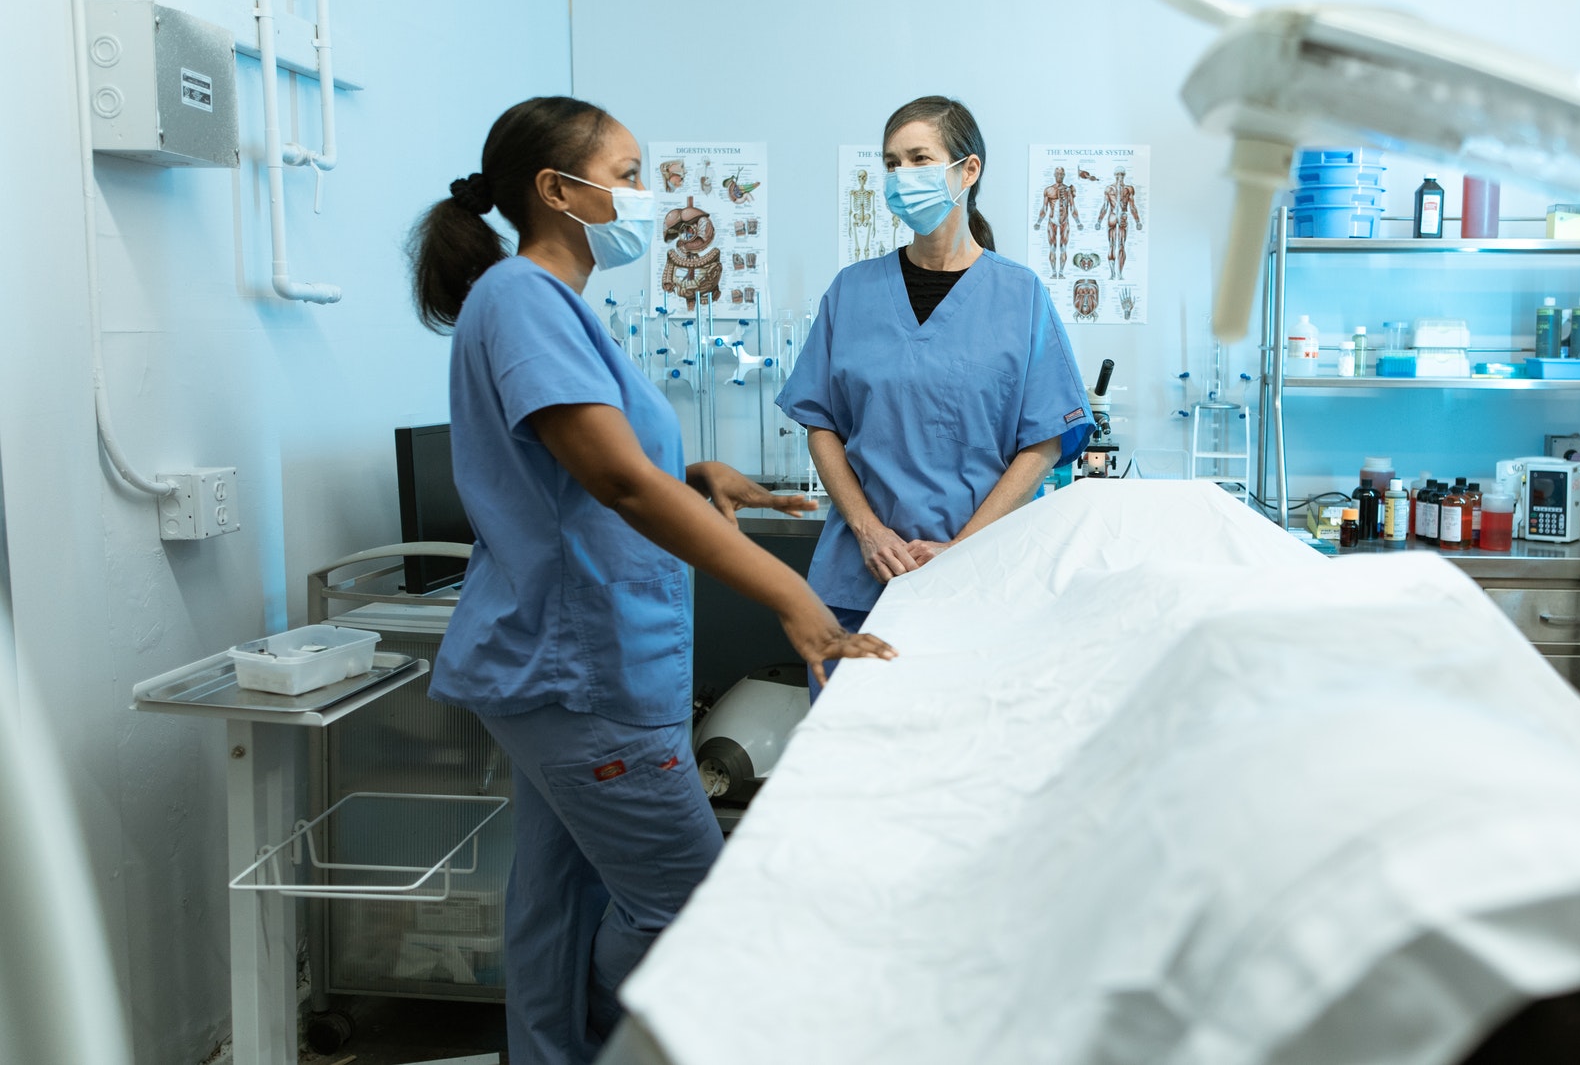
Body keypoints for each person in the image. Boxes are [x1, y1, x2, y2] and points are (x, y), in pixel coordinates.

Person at [405, 96, 896, 1065]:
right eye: (627, 173)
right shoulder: (520, 299)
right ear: (556, 190)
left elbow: (592, 465)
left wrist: (698, 475)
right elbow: (614, 477)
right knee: (688, 907)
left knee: (558, 895)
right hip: (581, 667)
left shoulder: (552, 306)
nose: (645, 194)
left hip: (567, 666)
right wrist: (794, 597)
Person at [775, 95, 1092, 697]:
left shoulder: (1020, 296)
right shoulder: (852, 292)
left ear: (966, 170)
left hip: (978, 580)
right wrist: (868, 531)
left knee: (959, 761)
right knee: (849, 760)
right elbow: (820, 423)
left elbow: (1045, 441)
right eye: (891, 163)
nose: (901, 177)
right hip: (859, 577)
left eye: (919, 158)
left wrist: (964, 551)